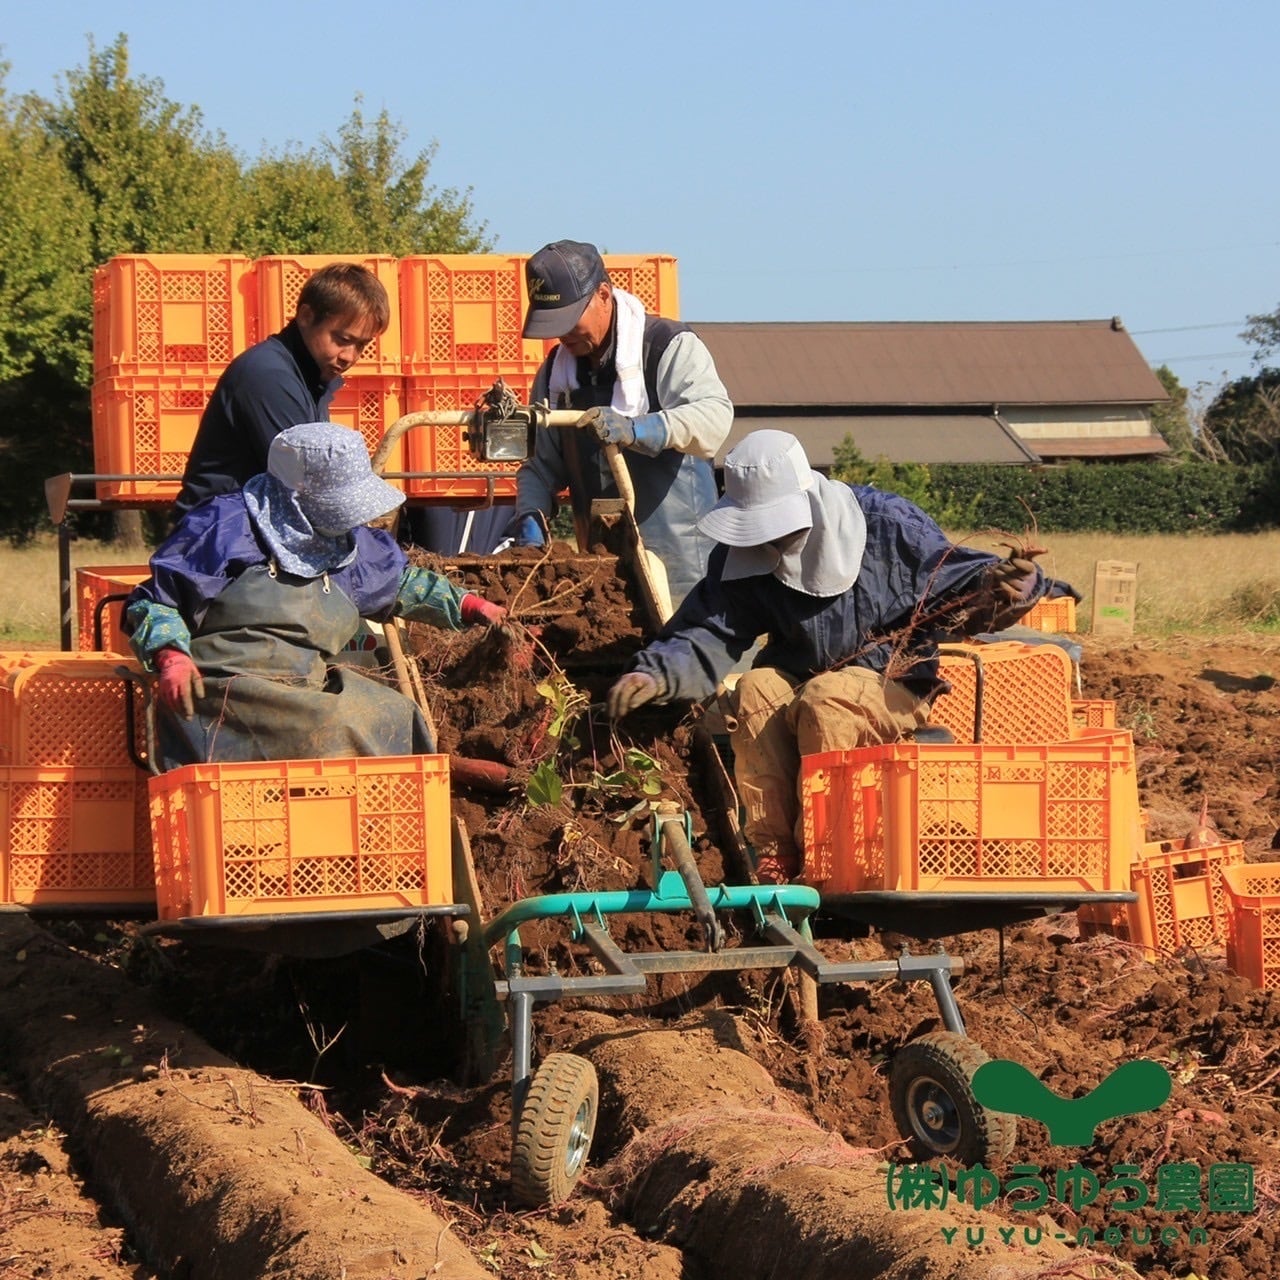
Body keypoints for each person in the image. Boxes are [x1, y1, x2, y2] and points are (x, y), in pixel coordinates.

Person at [606, 430, 1054, 883]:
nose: (769, 539)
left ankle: (826, 851)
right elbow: (706, 628)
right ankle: (774, 853)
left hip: (892, 686)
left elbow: (956, 585)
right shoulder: (743, 555)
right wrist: (656, 674)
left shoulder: (886, 524)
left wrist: (1001, 590)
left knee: (827, 699)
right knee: (756, 688)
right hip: (801, 680)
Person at [126, 422, 508, 772]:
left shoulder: (347, 543)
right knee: (334, 727)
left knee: (395, 713)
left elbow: (402, 583)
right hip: (223, 691)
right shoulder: (226, 526)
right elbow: (155, 602)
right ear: (296, 496)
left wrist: (469, 604)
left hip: (304, 684)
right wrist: (172, 657)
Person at [504, 239, 733, 604]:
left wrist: (639, 429)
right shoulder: (554, 376)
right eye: (554, 323)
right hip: (603, 575)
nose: (563, 334)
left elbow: (714, 417)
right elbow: (541, 466)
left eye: (570, 320)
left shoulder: (667, 346)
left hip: (685, 571)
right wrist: (530, 517)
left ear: (603, 295)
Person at [171, 262, 391, 521]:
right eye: (342, 340)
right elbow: (308, 486)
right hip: (219, 532)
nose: (349, 356)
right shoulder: (269, 375)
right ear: (306, 316)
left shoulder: (310, 377)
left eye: (361, 345)